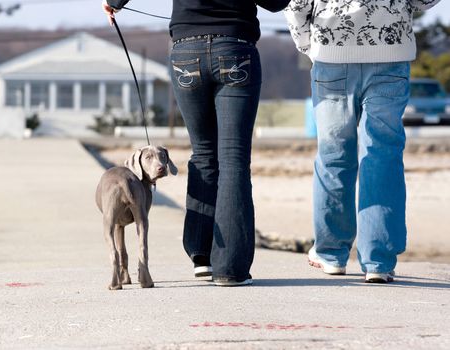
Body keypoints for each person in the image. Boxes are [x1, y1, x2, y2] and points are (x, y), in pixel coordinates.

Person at [102, 0, 290, 286]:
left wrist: (114, 2)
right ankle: (230, 268)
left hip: (186, 52)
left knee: (203, 153)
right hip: (234, 47)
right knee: (234, 159)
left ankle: (201, 256)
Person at [284, 0, 442, 283]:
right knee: (382, 155)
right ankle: (378, 261)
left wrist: (310, 46)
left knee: (333, 155)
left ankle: (331, 254)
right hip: (390, 52)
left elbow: (296, 4)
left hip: (331, 52)